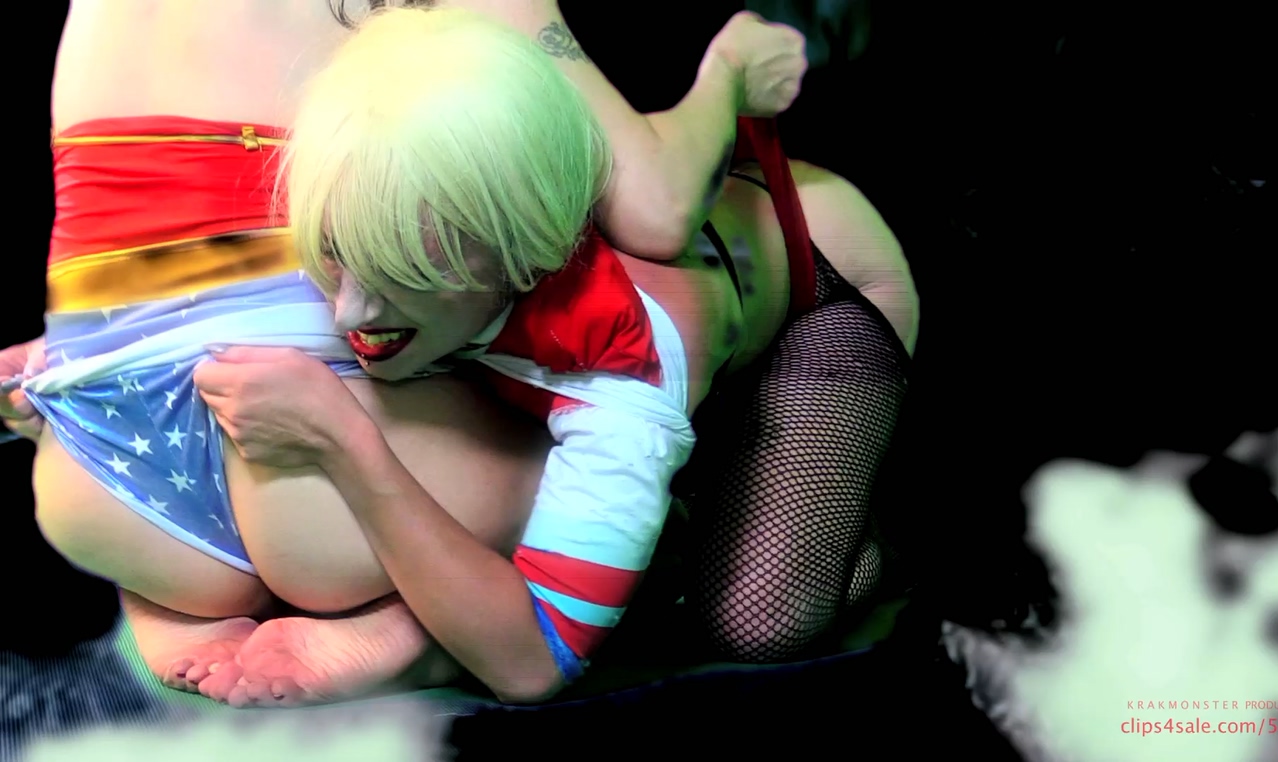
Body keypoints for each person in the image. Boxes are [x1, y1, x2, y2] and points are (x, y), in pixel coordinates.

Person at [0, 0, 807, 706]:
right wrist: (729, 70)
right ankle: (422, 633)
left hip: (99, 473)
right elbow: (657, 207)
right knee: (627, 445)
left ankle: (176, 604)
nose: (353, 308)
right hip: (315, 486)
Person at [188, 6, 917, 707]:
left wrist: (341, 438)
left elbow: (533, 665)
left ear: (525, 261)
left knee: (756, 618)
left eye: (404, 274)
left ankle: (844, 532)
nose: (349, 313)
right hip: (638, 236)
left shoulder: (620, 377)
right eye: (336, 252)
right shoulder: (395, 174)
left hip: (823, 283)